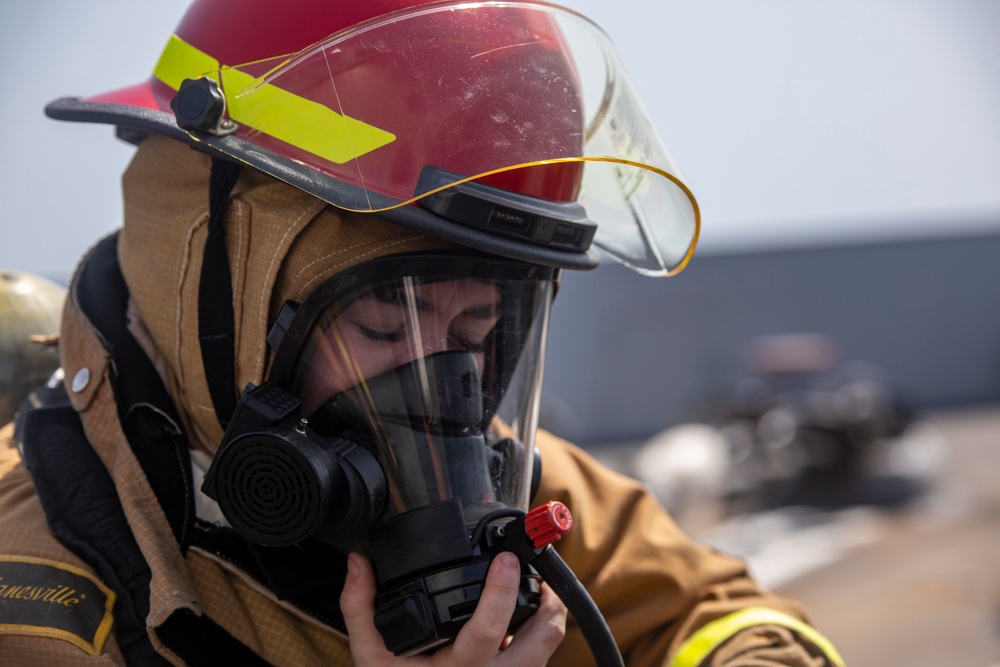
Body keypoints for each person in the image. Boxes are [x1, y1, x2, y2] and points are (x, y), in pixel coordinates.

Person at [0, 1, 845, 665]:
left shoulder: (501, 479)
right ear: (210, 296)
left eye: (478, 327)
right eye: (382, 323)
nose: (446, 388)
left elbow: (716, 611)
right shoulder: (42, 600)